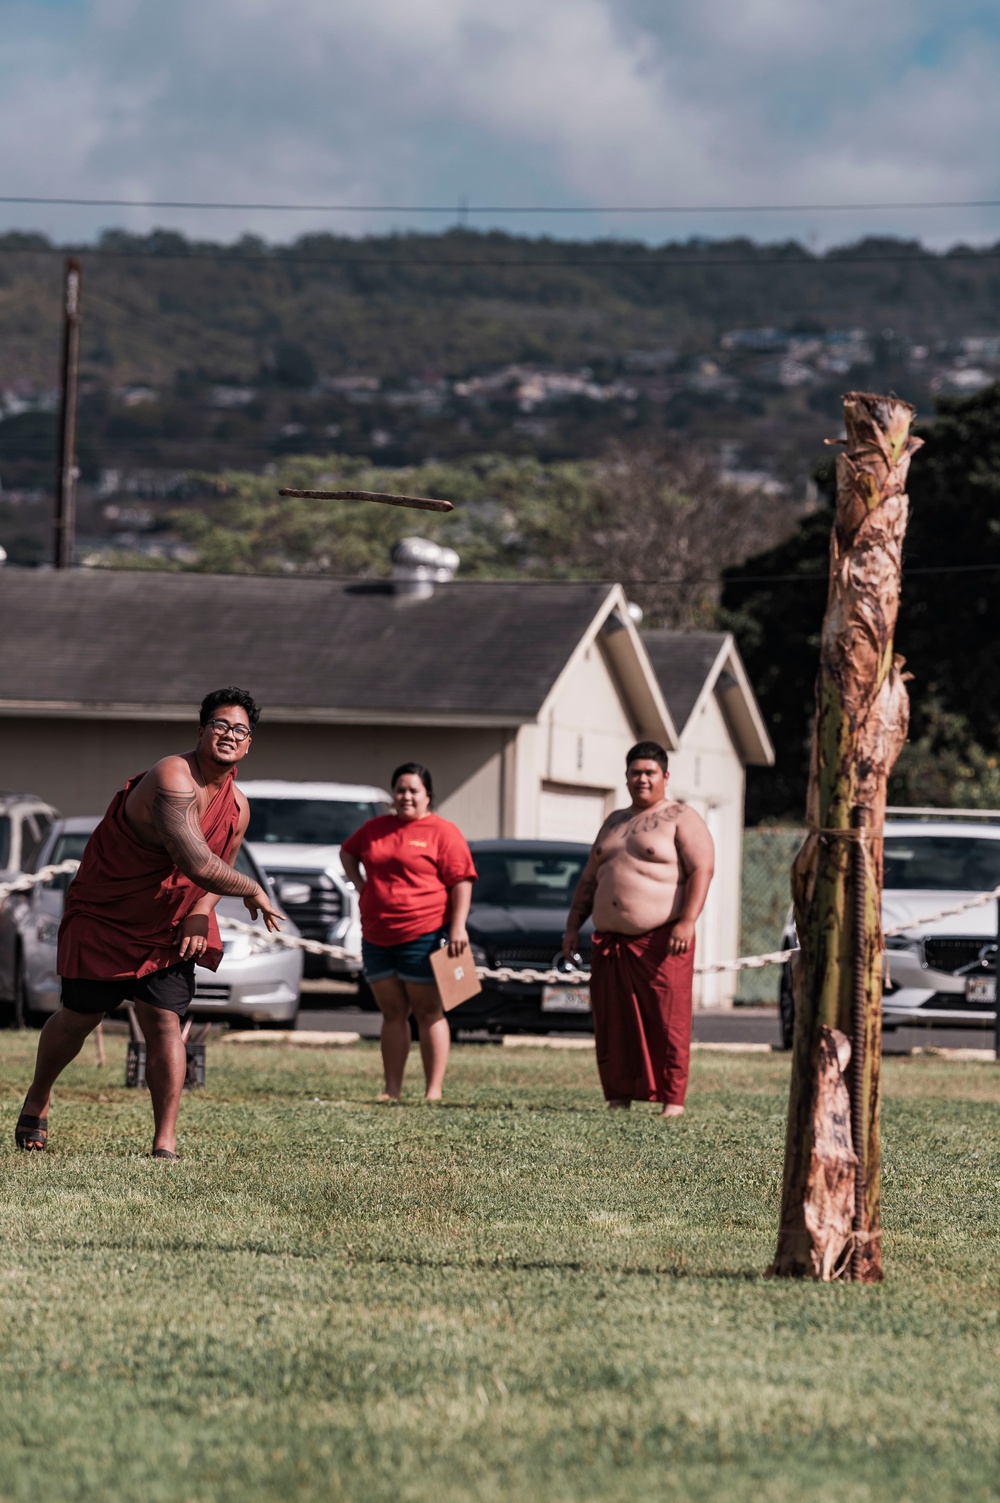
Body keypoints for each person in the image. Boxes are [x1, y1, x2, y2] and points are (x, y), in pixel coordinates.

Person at [15, 687, 281, 1159]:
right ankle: (38, 1097)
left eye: (241, 730)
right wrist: (254, 888)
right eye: (220, 725)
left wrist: (200, 913)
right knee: (79, 1016)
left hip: (171, 921)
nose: (229, 734)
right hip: (108, 911)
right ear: (201, 731)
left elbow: (218, 869)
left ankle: (164, 1141)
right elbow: (198, 860)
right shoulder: (172, 775)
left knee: (165, 1020)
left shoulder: (238, 806)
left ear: (248, 745)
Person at [562, 741, 714, 1118]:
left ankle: (672, 1102)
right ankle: (619, 1094)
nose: (642, 779)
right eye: (635, 772)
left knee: (667, 1021)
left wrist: (687, 920)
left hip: (661, 940)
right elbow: (589, 878)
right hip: (611, 941)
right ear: (626, 776)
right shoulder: (613, 821)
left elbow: (702, 869)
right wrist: (571, 926)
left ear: (665, 776)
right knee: (614, 1022)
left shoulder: (681, 816)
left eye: (650, 772)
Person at [341, 764, 477, 1101]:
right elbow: (347, 852)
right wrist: (362, 888)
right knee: (392, 1013)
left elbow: (461, 880)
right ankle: (392, 1089)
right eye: (400, 790)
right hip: (376, 935)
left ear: (427, 795)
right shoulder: (375, 828)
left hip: (425, 934)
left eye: (413, 790)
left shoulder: (443, 832)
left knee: (429, 1012)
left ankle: (433, 1090)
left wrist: (458, 926)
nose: (406, 797)